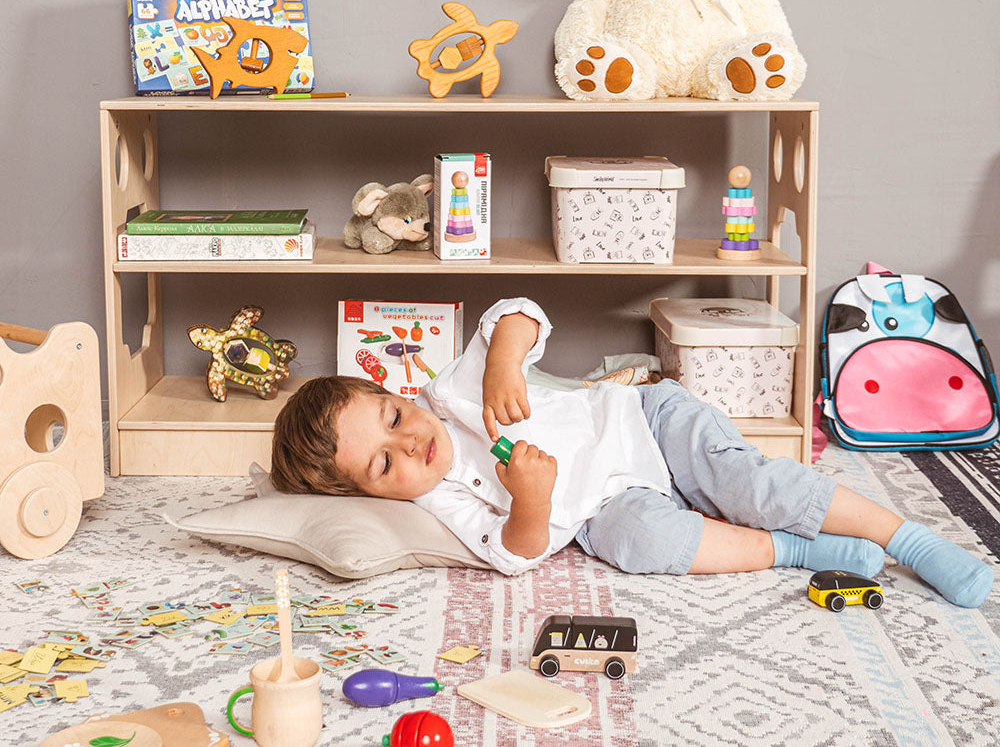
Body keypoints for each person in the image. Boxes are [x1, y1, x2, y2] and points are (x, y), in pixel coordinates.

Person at [270, 298, 993, 608]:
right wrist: (532, 502)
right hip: (603, 505)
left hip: (645, 422)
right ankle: (795, 551)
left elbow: (519, 313)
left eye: (393, 417)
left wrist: (502, 365)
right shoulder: (439, 501)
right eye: (384, 464)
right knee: (646, 541)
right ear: (371, 494)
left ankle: (910, 539)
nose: (410, 443)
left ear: (395, 390)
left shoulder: (455, 390)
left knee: (746, 480)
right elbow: (514, 552)